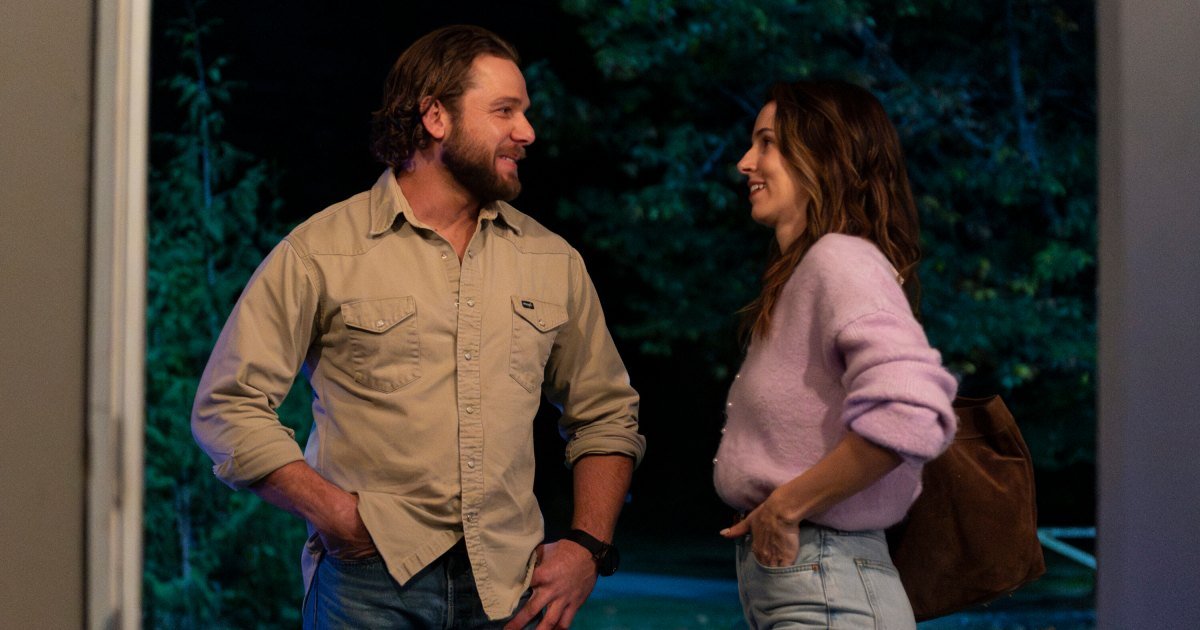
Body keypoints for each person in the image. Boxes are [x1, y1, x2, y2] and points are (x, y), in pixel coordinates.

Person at [191, 25, 645, 630]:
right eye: (504, 111)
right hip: (366, 586)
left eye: (525, 112)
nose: (527, 131)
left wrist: (588, 548)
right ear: (435, 117)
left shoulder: (551, 261)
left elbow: (606, 414)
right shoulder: (323, 250)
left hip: (512, 589)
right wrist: (336, 516)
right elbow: (226, 405)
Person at [712, 80, 958, 629]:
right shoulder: (808, 275)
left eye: (767, 143)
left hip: (827, 583)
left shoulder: (840, 260)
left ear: (822, 156)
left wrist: (786, 507)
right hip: (812, 582)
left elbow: (911, 413)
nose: (745, 162)